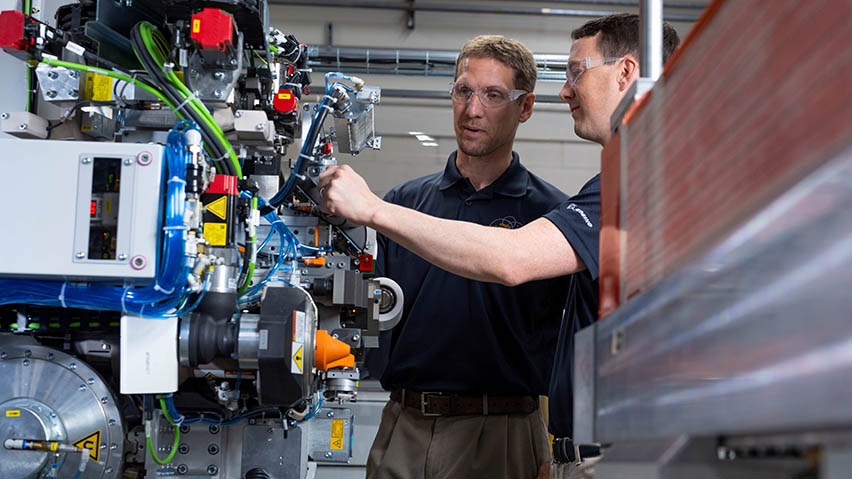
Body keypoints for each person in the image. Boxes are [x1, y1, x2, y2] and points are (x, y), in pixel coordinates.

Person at [319, 14, 680, 479]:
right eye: (463, 91)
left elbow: (511, 259)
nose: (566, 90)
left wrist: (372, 209)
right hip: (418, 421)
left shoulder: (628, 179)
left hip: (547, 436)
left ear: (626, 72)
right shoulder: (411, 199)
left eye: (576, 72)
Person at [357, 35, 572, 479]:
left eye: (493, 95)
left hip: (504, 432)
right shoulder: (404, 204)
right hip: (405, 424)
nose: (472, 110)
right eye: (463, 91)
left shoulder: (552, 216)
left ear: (525, 107)